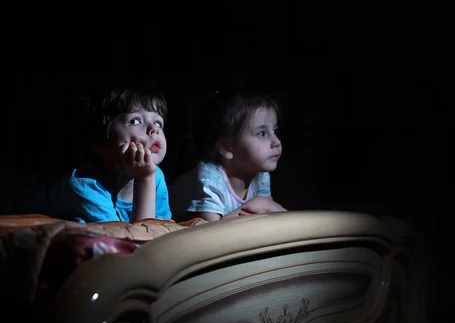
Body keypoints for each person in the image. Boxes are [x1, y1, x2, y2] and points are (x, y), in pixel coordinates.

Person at [2, 85, 173, 223]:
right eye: (135, 121)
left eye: (158, 123)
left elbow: (160, 233)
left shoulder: (155, 176)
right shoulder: (84, 186)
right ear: (99, 143)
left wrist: (147, 178)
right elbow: (134, 245)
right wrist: (144, 179)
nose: (154, 130)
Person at [169, 90, 287, 222]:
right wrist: (255, 205)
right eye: (262, 133)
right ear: (227, 147)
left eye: (274, 131)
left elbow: (268, 215)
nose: (277, 141)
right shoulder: (209, 178)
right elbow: (209, 233)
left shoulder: (260, 175)